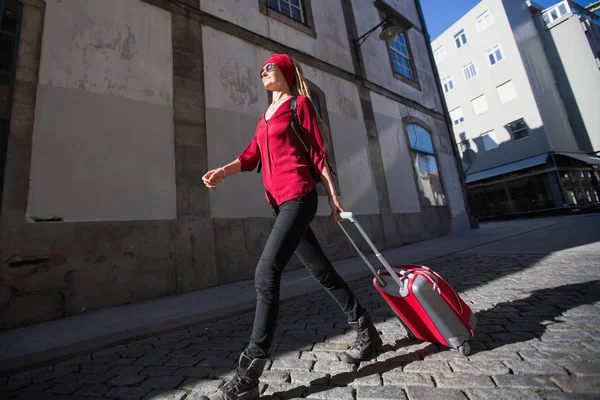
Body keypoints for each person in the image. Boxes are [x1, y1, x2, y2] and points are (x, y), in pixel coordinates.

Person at [199, 54, 381, 400]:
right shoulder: (264, 117)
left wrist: (333, 195)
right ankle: (366, 329)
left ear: (285, 71)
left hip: (300, 196)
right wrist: (223, 171)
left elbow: (317, 151)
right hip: (279, 203)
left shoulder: (300, 105)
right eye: (261, 68)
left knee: (266, 272)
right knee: (321, 270)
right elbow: (250, 155)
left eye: (270, 66)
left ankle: (249, 371)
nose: (264, 71)